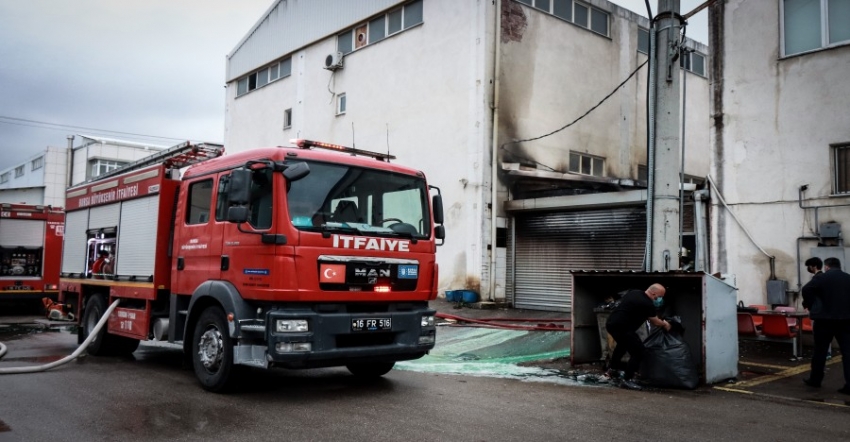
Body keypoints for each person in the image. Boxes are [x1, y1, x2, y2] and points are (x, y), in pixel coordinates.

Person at [605, 283, 672, 390]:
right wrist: (665, 324)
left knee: (622, 345)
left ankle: (612, 370)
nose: (660, 299)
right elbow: (655, 322)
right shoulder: (646, 303)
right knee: (639, 352)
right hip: (623, 328)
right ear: (653, 293)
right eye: (660, 297)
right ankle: (627, 380)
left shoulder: (634, 293)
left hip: (612, 323)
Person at [801, 257, 850, 394]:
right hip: (845, 320)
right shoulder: (848, 278)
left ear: (827, 267)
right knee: (847, 353)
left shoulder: (822, 278)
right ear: (839, 266)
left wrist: (811, 305)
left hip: (824, 320)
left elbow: (806, 289)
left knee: (820, 351)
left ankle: (815, 380)